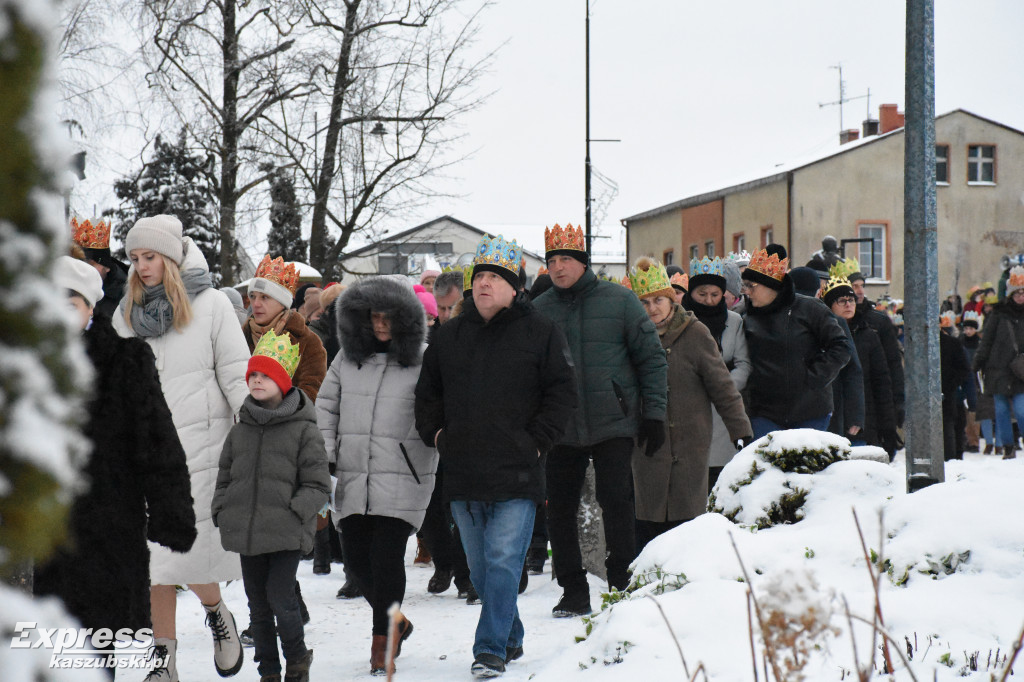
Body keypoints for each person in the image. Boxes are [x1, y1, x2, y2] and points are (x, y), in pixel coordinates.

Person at [415, 235, 577, 678]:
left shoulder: (541, 332)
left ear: (515, 287)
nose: (484, 284)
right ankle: (511, 634)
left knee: (505, 560)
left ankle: (489, 649)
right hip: (463, 470)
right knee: (484, 570)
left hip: (518, 472)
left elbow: (561, 393)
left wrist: (538, 441)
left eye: (495, 277)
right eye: (479, 277)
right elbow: (427, 396)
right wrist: (438, 435)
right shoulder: (449, 337)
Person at [35, 257, 197, 679]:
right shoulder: (23, 367)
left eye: (70, 304)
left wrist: (170, 511)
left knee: (90, 653)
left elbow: (157, 439)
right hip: (34, 534)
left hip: (103, 529)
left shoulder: (125, 361)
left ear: (90, 309)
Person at [112, 215, 250, 682]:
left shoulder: (212, 306)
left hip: (202, 453)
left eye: (149, 256)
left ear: (170, 257)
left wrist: (255, 435)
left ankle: (217, 614)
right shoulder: (125, 313)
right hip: (144, 457)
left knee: (188, 557)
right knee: (154, 564)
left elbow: (236, 373)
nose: (141, 266)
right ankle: (162, 662)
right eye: (134, 258)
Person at [532, 224, 668, 617]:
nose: (558, 267)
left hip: (614, 420)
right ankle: (573, 589)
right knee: (559, 508)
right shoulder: (540, 311)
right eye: (552, 261)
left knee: (617, 501)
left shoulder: (621, 300)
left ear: (583, 262)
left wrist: (654, 413)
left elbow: (651, 358)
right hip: (562, 427)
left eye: (566, 260)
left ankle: (621, 580)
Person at [317, 276, 438, 675]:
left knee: (386, 559)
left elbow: (437, 409)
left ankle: (382, 641)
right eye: (374, 316)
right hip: (351, 474)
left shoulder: (423, 358)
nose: (381, 324)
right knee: (356, 561)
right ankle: (398, 622)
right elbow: (327, 408)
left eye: (389, 316)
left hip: (402, 473)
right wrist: (328, 456)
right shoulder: (346, 359)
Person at [212, 331, 330, 682]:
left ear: (282, 381)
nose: (257, 381)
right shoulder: (241, 429)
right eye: (253, 376)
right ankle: (268, 669)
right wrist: (222, 508)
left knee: (281, 598)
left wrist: (294, 513)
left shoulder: (304, 429)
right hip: (248, 534)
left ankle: (296, 659)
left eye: (265, 375)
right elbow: (225, 474)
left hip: (286, 533)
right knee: (258, 606)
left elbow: (318, 484)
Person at [629, 258, 750, 550]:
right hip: (647, 442)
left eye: (658, 300)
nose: (652, 308)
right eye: (644, 303)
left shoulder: (695, 333)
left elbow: (722, 385)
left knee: (686, 523)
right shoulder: (631, 336)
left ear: (671, 300)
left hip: (689, 442)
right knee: (648, 519)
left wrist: (740, 429)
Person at [741, 248, 850, 439]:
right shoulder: (747, 318)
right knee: (768, 466)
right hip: (764, 413)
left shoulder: (809, 309)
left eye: (752, 286)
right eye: (745, 286)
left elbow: (841, 346)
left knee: (804, 467)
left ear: (770, 285)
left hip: (810, 410)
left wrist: (814, 377)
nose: (746, 291)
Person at [682, 256, 752, 491]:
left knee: (720, 476)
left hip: (723, 407)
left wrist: (722, 387)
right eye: (702, 294)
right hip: (689, 405)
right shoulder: (680, 322)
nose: (709, 300)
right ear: (691, 293)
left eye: (715, 294)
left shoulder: (734, 322)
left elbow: (744, 363)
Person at [788, 267, 866, 445]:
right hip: (786, 407)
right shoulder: (780, 318)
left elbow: (853, 370)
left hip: (828, 402)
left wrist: (855, 416)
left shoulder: (832, 321)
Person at [822, 276, 895, 448]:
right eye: (842, 300)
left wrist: (888, 421)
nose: (848, 305)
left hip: (863, 419)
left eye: (851, 300)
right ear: (829, 305)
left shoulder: (868, 335)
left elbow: (881, 380)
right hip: (831, 414)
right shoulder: (822, 334)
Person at [245, 256, 327, 402]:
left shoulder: (308, 341)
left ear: (282, 302)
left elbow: (311, 392)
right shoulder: (239, 337)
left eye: (265, 297)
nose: (255, 304)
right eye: (252, 296)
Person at [844, 260, 906, 449]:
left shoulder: (878, 322)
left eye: (862, 286)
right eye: (855, 286)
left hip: (876, 402)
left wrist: (898, 402)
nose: (860, 291)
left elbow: (892, 365)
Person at [971, 266, 1024, 459]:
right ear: (1010, 294)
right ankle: (1008, 446)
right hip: (998, 368)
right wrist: (977, 362)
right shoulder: (998, 314)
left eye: (1023, 292)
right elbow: (986, 341)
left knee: (1021, 409)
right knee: (1001, 412)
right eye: (1017, 293)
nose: (1020, 296)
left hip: (1021, 370)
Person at [71, 217, 129, 319]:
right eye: (81, 263)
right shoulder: (68, 288)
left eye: (91, 264)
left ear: (107, 267)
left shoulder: (129, 296)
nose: (85, 269)